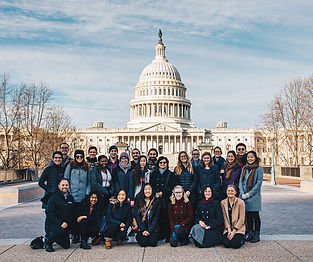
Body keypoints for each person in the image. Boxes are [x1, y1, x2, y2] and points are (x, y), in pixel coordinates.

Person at [64, 149, 91, 244]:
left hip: (82, 196)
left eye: (81, 156)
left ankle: (81, 234)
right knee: (72, 216)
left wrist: (87, 193)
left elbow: (89, 182)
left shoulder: (86, 167)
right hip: (72, 195)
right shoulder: (70, 166)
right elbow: (66, 179)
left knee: (81, 216)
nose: (79, 158)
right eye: (77, 156)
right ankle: (74, 234)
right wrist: (69, 192)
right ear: (75, 157)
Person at [239, 150, 263, 243]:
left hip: (254, 197)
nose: (250, 158)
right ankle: (250, 233)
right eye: (248, 157)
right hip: (244, 195)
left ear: (255, 158)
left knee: (255, 216)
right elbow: (240, 182)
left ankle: (257, 234)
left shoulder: (258, 169)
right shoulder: (244, 168)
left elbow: (258, 183)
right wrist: (242, 193)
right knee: (248, 216)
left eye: (252, 157)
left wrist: (249, 194)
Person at [44, 178, 75, 252]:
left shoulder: (70, 198)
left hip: (65, 225)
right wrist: (60, 223)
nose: (65, 187)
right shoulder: (53, 198)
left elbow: (72, 213)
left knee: (66, 245)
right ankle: (48, 241)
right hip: (53, 224)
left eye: (66, 185)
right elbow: (49, 213)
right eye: (63, 185)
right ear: (58, 186)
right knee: (60, 231)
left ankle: (56, 237)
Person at [150, 156, 176, 241]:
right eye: (161, 163)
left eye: (164, 163)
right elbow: (151, 185)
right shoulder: (153, 173)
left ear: (167, 164)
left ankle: (167, 235)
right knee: (157, 216)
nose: (162, 164)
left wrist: (163, 193)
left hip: (166, 198)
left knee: (167, 216)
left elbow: (173, 187)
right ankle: (159, 234)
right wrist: (155, 193)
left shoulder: (171, 174)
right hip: (156, 198)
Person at [221, 185, 246, 249]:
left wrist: (234, 231)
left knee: (235, 245)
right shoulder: (223, 202)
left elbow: (241, 218)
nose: (230, 192)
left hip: (238, 228)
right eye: (228, 191)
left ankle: (242, 238)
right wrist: (229, 230)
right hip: (228, 228)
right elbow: (225, 218)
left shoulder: (241, 202)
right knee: (226, 244)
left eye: (232, 191)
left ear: (235, 192)